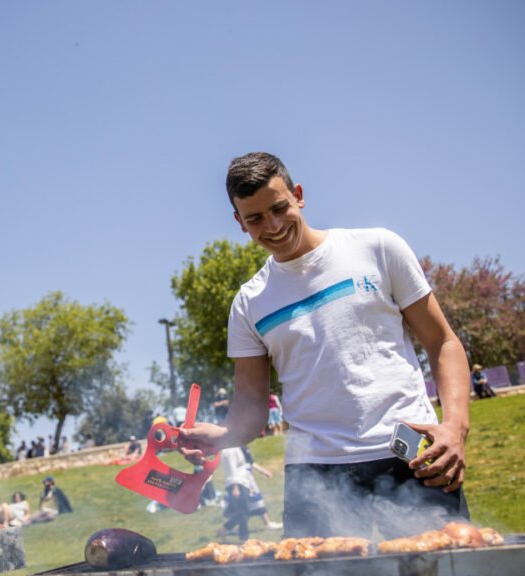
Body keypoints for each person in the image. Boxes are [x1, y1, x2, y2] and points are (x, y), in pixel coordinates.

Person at [180, 152, 471, 540]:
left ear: (298, 195)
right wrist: (219, 437)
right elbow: (249, 407)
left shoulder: (379, 248)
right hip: (313, 473)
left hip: (409, 452)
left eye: (279, 208)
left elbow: (443, 342)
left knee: (441, 572)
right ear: (240, 222)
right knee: (313, 575)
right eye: (256, 219)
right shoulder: (249, 303)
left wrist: (455, 426)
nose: (273, 226)